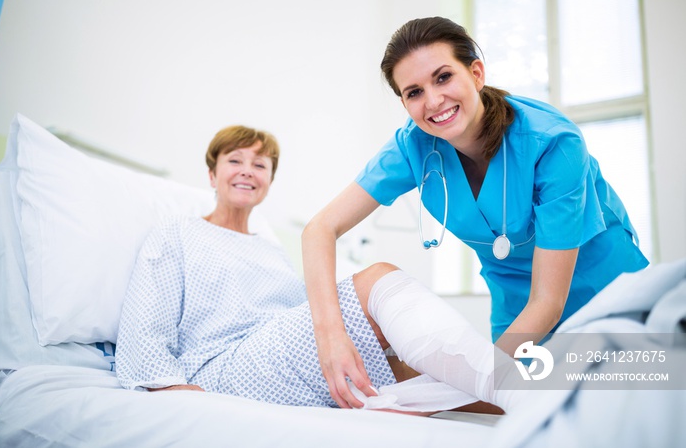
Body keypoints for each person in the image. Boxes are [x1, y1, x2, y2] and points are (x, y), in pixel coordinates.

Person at [301, 16, 649, 408]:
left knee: (622, 407)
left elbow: (549, 302)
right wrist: (330, 335)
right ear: (404, 102)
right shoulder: (414, 147)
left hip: (601, 287)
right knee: (518, 412)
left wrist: (460, 391)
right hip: (517, 304)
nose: (433, 101)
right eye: (414, 91)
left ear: (476, 73)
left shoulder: (553, 143)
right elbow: (319, 229)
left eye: (443, 77)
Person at [115, 124, 521, 413]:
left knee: (421, 371)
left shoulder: (271, 250)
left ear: (269, 180)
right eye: (234, 160)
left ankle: (543, 401)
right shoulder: (178, 233)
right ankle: (520, 389)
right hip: (222, 367)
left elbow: (298, 316)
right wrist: (171, 388)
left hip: (277, 356)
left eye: (259, 165)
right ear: (211, 173)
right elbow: (145, 320)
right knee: (377, 278)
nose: (246, 170)